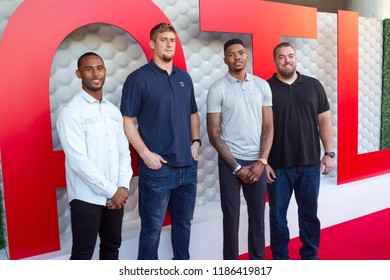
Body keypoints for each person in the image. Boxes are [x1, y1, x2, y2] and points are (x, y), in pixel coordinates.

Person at [120, 22, 200, 260]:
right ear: (153, 44)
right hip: (158, 169)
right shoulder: (138, 79)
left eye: (172, 40)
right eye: (163, 40)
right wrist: (145, 154)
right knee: (152, 229)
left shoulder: (184, 78)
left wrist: (196, 142)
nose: (169, 44)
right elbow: (127, 121)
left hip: (188, 166)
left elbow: (193, 113)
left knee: (183, 224)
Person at [57, 52, 132, 260]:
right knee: (82, 254)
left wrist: (123, 187)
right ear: (79, 74)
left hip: (116, 196)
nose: (95, 73)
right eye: (88, 69)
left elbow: (123, 152)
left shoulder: (112, 111)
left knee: (111, 249)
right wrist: (111, 191)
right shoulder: (71, 112)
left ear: (105, 71)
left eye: (99, 68)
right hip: (86, 198)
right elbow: (78, 161)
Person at [266, 42, 335, 260]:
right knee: (277, 218)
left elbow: (324, 119)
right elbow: (259, 128)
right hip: (277, 167)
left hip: (309, 165)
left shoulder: (313, 85)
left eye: (291, 56)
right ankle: (280, 261)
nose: (287, 60)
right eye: (282, 57)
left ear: (296, 58)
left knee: (309, 216)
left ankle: (310, 257)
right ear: (275, 61)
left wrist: (329, 153)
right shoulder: (265, 88)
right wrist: (263, 161)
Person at [206, 39, 274, 260]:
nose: (238, 57)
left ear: (247, 56)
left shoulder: (262, 85)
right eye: (232, 54)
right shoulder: (217, 89)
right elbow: (214, 134)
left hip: (257, 163)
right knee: (231, 219)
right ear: (225, 59)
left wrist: (262, 161)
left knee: (258, 219)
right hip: (229, 164)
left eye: (241, 53)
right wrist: (236, 167)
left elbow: (268, 126)